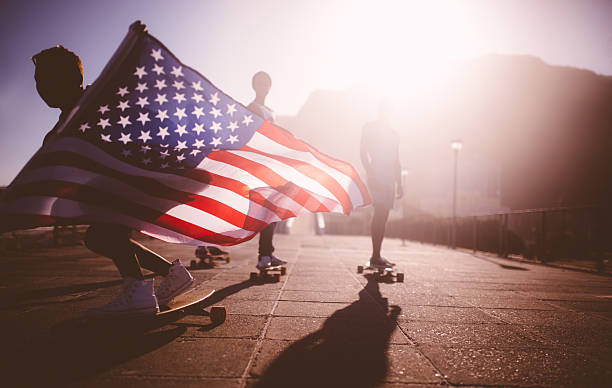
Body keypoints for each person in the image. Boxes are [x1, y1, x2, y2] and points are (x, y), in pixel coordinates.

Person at [32, 46, 194, 314]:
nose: (40, 87)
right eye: (37, 81)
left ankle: (138, 291)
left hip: (143, 180)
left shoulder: (96, 102)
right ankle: (171, 274)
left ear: (71, 79)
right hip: (126, 186)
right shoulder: (64, 124)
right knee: (98, 237)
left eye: (46, 78)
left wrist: (135, 48)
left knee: (105, 230)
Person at [247, 71, 287, 270]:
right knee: (266, 210)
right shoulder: (251, 108)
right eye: (260, 83)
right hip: (260, 165)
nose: (263, 86)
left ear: (270, 87)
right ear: (254, 86)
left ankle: (268, 253)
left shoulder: (270, 110)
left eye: (266, 83)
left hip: (272, 165)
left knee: (274, 210)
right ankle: (263, 256)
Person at [360, 98, 403, 268]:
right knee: (379, 212)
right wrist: (370, 175)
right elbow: (363, 153)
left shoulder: (394, 134)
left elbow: (396, 159)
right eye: (385, 110)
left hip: (390, 178)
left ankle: (377, 254)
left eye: (390, 110)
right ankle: (375, 256)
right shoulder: (369, 128)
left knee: (383, 215)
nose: (387, 113)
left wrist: (399, 182)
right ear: (380, 111)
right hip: (377, 175)